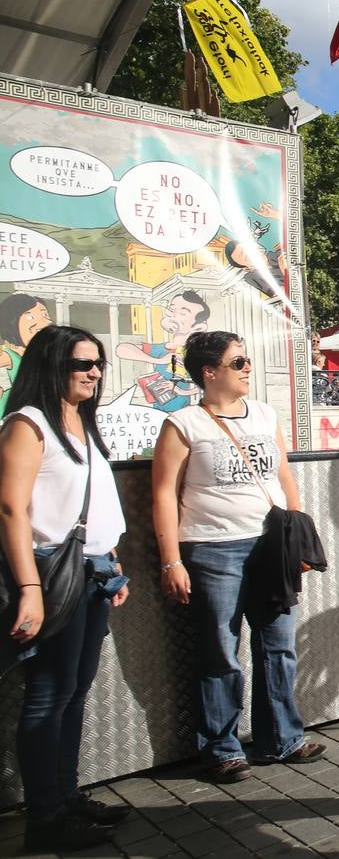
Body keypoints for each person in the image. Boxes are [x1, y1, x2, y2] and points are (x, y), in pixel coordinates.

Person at [151, 331, 327, 785]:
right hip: (212, 549)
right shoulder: (184, 424)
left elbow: (284, 476)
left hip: (270, 546)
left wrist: (298, 539)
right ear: (209, 372)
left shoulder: (265, 414)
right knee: (220, 652)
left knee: (278, 646)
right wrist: (171, 560)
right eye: (238, 362)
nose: (248, 368)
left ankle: (281, 738)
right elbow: (164, 495)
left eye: (247, 360)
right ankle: (222, 748)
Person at [1, 326, 130, 851]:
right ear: (53, 365)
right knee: (48, 696)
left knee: (74, 693)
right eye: (83, 364)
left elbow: (92, 503)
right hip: (53, 574)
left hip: (95, 572)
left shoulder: (79, 421)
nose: (95, 372)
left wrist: (114, 563)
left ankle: (65, 795)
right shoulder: (28, 425)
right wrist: (29, 587)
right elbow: (11, 509)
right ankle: (45, 819)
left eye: (98, 363)